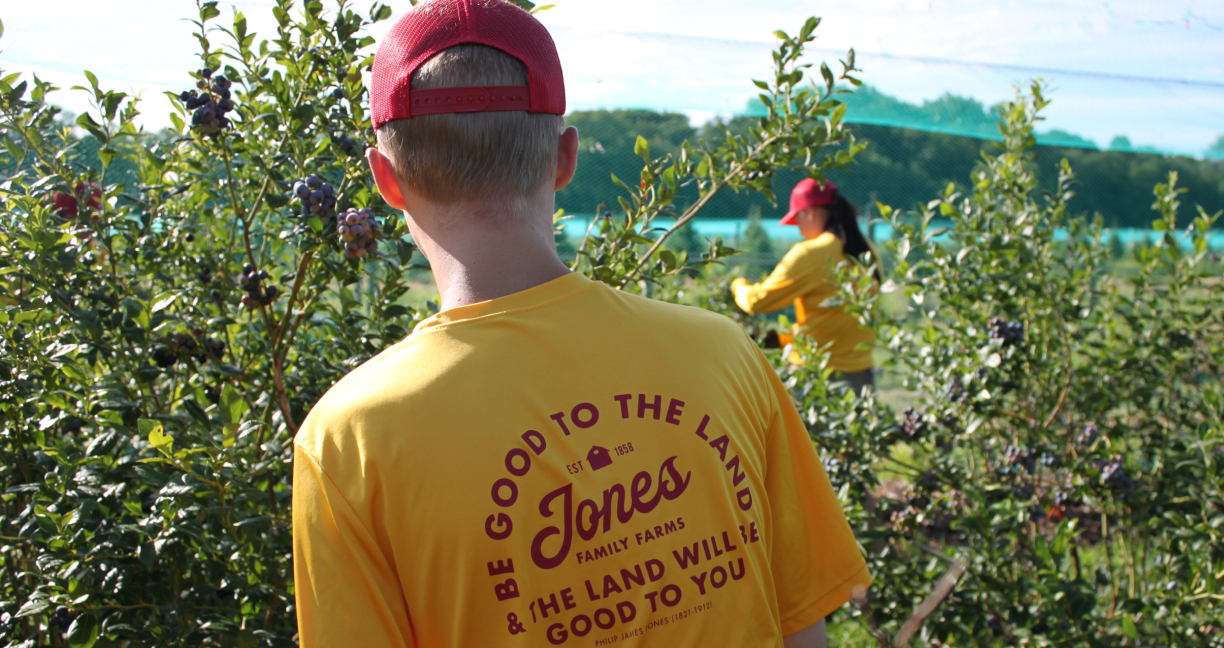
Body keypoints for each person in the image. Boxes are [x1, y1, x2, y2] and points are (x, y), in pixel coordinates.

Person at [291, 2, 871, 647]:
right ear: (565, 157)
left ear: (385, 180)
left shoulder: (349, 439)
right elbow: (802, 626)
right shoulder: (722, 353)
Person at [731, 178, 881, 392]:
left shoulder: (810, 254)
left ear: (810, 213)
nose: (799, 230)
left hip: (817, 376)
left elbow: (757, 302)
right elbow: (836, 320)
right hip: (861, 377)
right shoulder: (868, 252)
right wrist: (784, 339)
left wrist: (738, 285)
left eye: (798, 219)